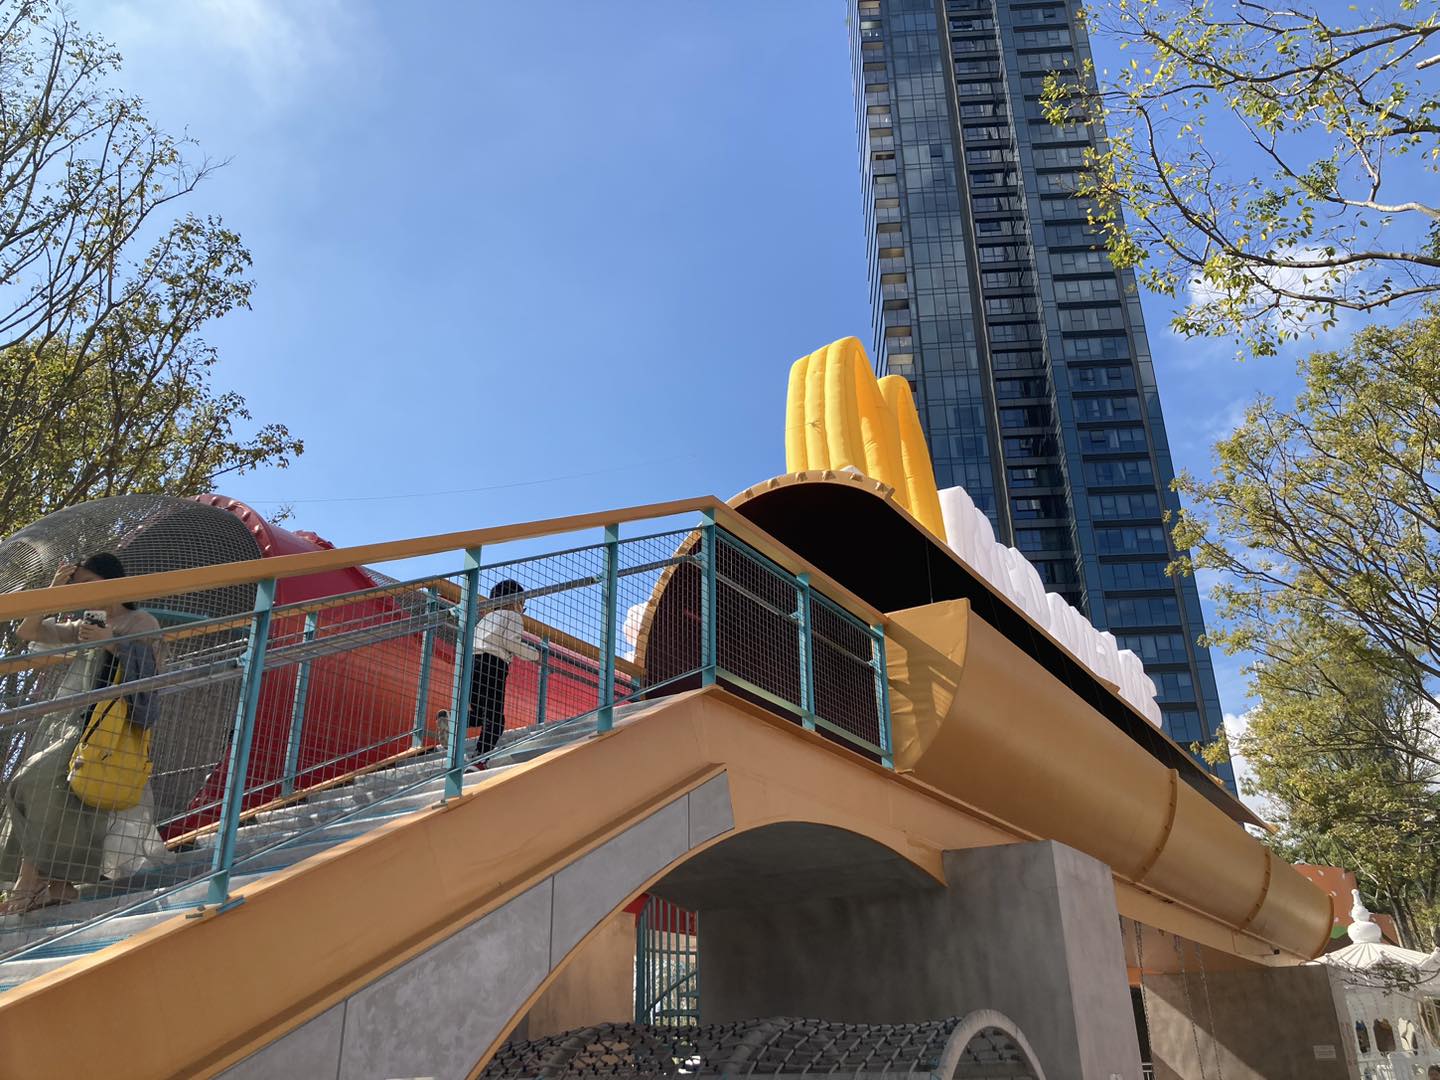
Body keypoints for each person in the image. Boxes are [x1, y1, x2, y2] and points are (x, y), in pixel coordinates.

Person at [0, 554, 162, 914]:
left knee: (32, 781)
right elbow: (29, 632)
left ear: (113, 581)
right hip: (75, 723)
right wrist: (53, 591)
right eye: (78, 585)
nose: (83, 591)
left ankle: (30, 883)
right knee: (53, 798)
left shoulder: (140, 621)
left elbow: (153, 674)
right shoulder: (87, 621)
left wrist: (111, 642)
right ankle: (60, 886)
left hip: (107, 726)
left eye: (89, 582)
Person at [468, 579, 538, 767]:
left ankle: (452, 720)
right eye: (522, 604)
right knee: (495, 720)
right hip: (493, 665)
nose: (522, 609)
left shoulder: (485, 619)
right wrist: (534, 654)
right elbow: (510, 642)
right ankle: (479, 759)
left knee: (479, 713)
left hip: (472, 664)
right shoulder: (513, 617)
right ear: (516, 601)